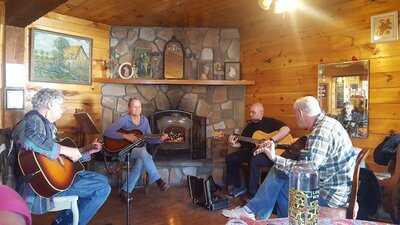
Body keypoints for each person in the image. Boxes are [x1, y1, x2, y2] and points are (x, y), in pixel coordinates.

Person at [222, 96, 358, 220]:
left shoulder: (321, 132)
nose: (295, 118)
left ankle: (255, 213)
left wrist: (275, 158)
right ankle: (257, 214)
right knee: (280, 177)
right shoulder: (329, 123)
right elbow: (310, 164)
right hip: (332, 186)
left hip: (328, 195)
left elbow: (307, 170)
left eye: (295, 114)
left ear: (300, 113)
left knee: (278, 172)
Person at [12, 88, 111, 225]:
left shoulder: (48, 125)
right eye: (60, 105)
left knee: (102, 180)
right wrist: (67, 151)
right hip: (39, 188)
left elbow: (63, 160)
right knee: (102, 187)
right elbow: (29, 140)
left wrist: (87, 150)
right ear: (51, 105)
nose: (62, 109)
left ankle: (63, 222)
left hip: (54, 179)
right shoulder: (33, 119)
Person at [104, 97, 169, 200]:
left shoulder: (144, 121)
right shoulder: (124, 119)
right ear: (129, 108)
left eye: (139, 106)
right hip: (124, 152)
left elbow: (148, 139)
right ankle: (158, 180)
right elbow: (107, 132)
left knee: (141, 160)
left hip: (138, 152)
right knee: (143, 153)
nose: (137, 109)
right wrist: (126, 136)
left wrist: (160, 139)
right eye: (134, 106)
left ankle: (125, 191)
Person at [225, 102, 290, 198]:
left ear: (261, 112)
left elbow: (286, 129)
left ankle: (253, 193)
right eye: (250, 112)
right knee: (231, 157)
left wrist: (271, 140)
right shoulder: (249, 127)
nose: (250, 114)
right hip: (252, 151)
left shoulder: (270, 122)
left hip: (269, 153)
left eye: (253, 112)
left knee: (255, 159)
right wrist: (233, 143)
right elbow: (242, 144)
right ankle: (237, 186)